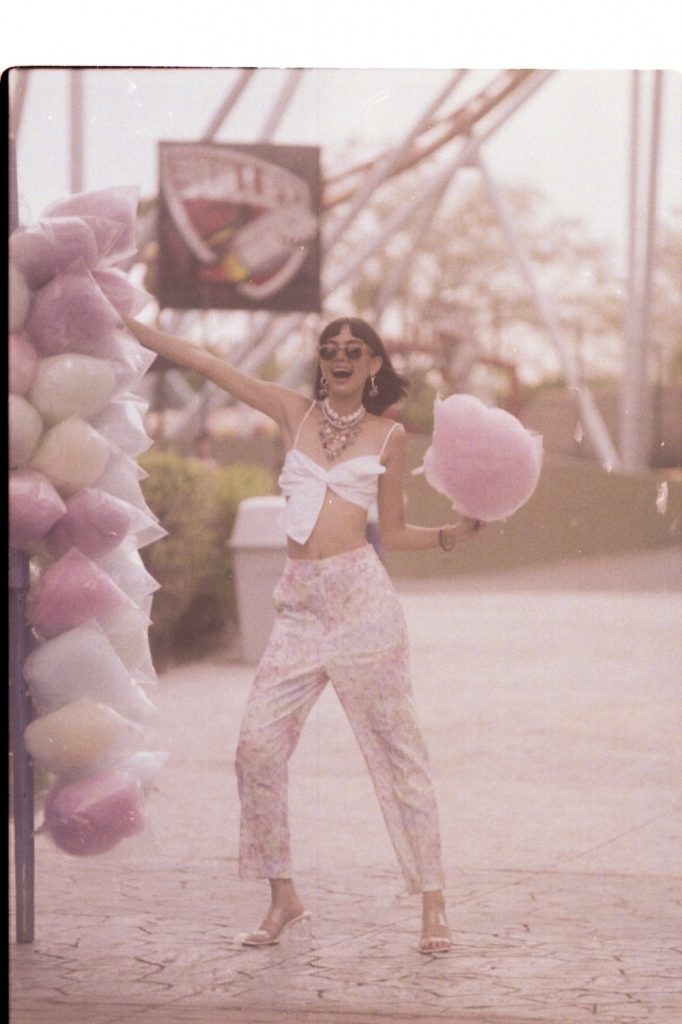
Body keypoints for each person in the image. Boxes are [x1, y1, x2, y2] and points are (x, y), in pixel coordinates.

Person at [121, 313, 482, 954]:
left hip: (363, 604)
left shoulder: (389, 436)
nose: (340, 357)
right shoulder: (293, 412)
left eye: (355, 350)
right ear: (321, 362)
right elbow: (208, 363)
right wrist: (128, 324)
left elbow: (396, 533)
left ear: (373, 365)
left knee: (398, 754)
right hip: (300, 608)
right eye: (330, 349)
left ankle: (434, 902)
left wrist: (453, 534)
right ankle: (283, 897)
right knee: (256, 749)